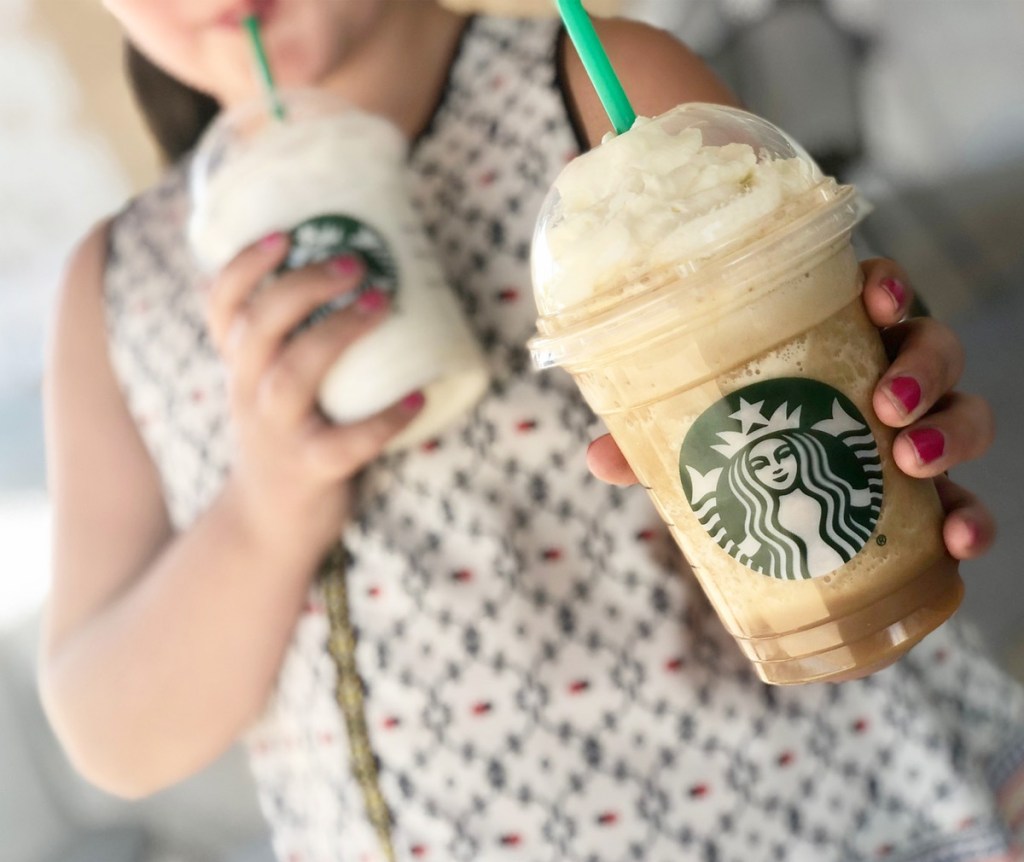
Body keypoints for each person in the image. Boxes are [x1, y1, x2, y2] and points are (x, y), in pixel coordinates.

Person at [39, 2, 1024, 861]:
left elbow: (825, 438)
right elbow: (115, 735)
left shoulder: (606, 100)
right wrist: (267, 507)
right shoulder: (120, 289)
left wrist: (869, 414)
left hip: (834, 816)